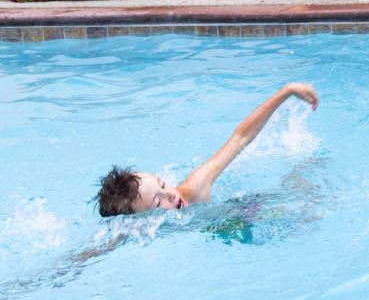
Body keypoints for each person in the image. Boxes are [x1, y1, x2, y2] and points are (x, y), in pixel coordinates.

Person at [96, 82, 319, 216]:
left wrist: (287, 91)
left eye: (162, 184)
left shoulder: (193, 191)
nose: (171, 195)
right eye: (157, 203)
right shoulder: (138, 231)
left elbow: (240, 138)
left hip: (237, 216)